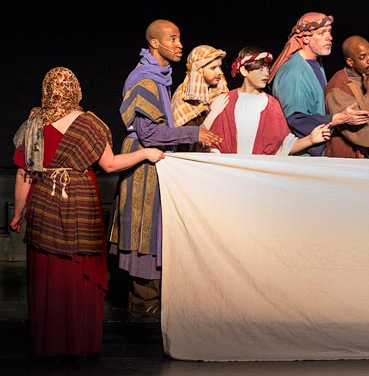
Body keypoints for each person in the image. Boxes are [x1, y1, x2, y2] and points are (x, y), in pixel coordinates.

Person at [10, 67, 165, 357]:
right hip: (81, 200)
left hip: (44, 200)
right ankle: (80, 344)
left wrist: (18, 213)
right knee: (78, 267)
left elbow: (24, 174)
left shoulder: (34, 123)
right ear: (76, 90)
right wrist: (145, 153)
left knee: (49, 271)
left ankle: (49, 344)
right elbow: (110, 164)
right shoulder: (90, 124)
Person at [108, 19, 220, 316]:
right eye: (172, 39)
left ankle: (149, 307)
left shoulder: (159, 77)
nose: (179, 44)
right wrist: (193, 133)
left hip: (153, 159)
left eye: (180, 38)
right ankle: (142, 310)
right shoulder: (144, 79)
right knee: (145, 229)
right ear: (155, 43)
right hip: (142, 161)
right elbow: (149, 133)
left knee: (155, 229)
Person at [270, 12, 369, 156]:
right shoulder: (294, 73)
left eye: (329, 32)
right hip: (303, 160)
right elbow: (296, 120)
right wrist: (339, 118)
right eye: (322, 33)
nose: (330, 38)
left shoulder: (315, 62)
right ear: (305, 38)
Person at [205, 46, 331, 155]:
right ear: (244, 71)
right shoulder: (227, 101)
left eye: (267, 68)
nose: (266, 73)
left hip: (258, 173)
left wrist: (311, 139)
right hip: (229, 171)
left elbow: (283, 146)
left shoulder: (271, 104)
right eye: (260, 69)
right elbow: (213, 143)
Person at [323, 36, 369, 158]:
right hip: (347, 159)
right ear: (350, 62)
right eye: (362, 57)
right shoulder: (338, 87)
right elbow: (358, 128)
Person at [171, 45, 229, 152]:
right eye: (213, 68)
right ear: (199, 70)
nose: (220, 72)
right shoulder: (183, 96)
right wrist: (214, 112)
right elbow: (190, 139)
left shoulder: (214, 93)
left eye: (220, 67)